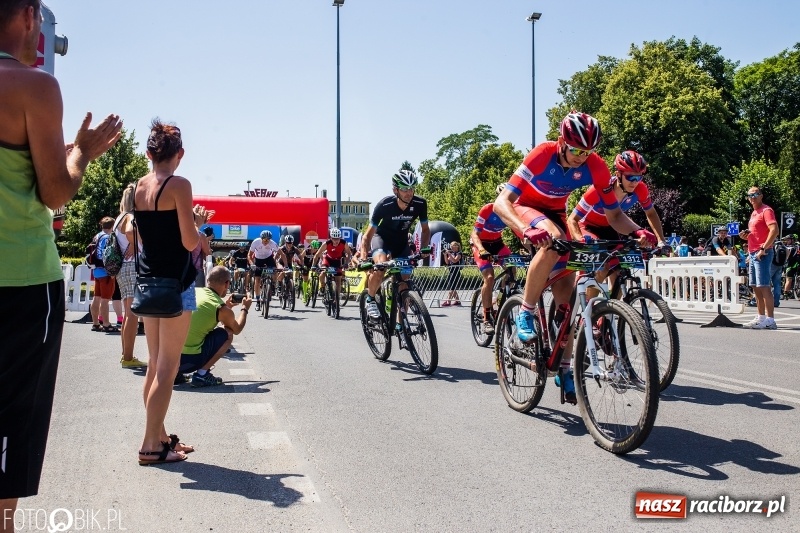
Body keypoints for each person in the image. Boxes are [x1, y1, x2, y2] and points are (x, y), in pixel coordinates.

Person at [0, 0, 123, 516]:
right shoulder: (34, 87)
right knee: (8, 442)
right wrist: (81, 154)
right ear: (29, 14)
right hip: (22, 283)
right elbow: (54, 191)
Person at [493, 112, 654, 404]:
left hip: (554, 212)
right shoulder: (542, 154)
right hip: (526, 211)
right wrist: (524, 229)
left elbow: (614, 214)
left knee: (568, 306)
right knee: (554, 239)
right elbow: (502, 202)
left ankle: (565, 368)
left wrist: (638, 231)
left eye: (588, 151)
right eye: (577, 150)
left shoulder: (595, 166)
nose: (582, 157)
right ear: (561, 142)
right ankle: (526, 312)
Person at [134, 119, 200, 465]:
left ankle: (159, 436)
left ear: (149, 152)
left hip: (148, 283)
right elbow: (189, 241)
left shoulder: (135, 188)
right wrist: (200, 230)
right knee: (167, 369)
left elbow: (145, 239)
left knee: (153, 365)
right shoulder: (179, 185)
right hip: (176, 283)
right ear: (180, 154)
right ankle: (150, 445)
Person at [566, 150, 666, 293]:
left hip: (610, 227)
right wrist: (580, 241)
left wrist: (661, 240)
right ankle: (589, 310)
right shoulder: (598, 189)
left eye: (639, 177)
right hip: (587, 227)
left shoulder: (640, 189)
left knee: (620, 271)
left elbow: (651, 213)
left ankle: (610, 312)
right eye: (630, 177)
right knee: (601, 267)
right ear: (618, 174)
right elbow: (572, 219)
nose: (635, 182)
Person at [358, 169, 431, 319]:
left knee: (404, 281)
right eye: (404, 189)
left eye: (411, 188)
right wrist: (364, 259)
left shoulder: (420, 203)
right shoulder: (385, 205)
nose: (409, 192)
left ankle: (401, 324)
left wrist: (423, 248)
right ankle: (370, 299)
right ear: (395, 190)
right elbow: (367, 236)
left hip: (401, 243)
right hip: (381, 240)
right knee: (380, 267)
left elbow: (425, 230)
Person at [176, 266, 252, 387]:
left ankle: (175, 375)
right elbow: (237, 329)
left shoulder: (194, 291)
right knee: (228, 333)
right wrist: (245, 309)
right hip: (189, 362)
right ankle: (202, 374)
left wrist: (227, 307)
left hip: (169, 359)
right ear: (227, 284)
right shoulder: (219, 307)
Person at [470, 185, 513, 334]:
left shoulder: (512, 211)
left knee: (512, 269)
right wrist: (481, 250)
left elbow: (521, 234)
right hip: (480, 243)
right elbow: (475, 234)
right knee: (489, 277)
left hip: (497, 243)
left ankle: (499, 299)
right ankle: (486, 318)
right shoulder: (487, 209)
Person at [114, 184, 147, 368]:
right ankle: (128, 357)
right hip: (132, 266)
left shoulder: (120, 217)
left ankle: (126, 355)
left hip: (123, 268)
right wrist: (135, 245)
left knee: (129, 315)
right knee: (133, 314)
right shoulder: (130, 216)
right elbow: (130, 231)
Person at [738, 186, 779, 329]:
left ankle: (771, 320)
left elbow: (774, 230)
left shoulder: (766, 211)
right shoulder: (754, 213)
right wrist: (745, 236)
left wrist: (763, 248)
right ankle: (761, 317)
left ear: (761, 195)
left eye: (756, 194)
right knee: (755, 287)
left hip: (763, 252)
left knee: (764, 286)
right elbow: (756, 233)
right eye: (750, 195)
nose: (753, 197)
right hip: (753, 252)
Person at [89, 216, 119, 332]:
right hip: (106, 271)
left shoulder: (97, 236)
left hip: (96, 270)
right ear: (112, 226)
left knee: (96, 297)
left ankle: (95, 323)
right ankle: (106, 324)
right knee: (105, 299)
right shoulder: (108, 237)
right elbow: (108, 255)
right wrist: (112, 271)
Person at [248, 230, 284, 311]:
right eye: (264, 240)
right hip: (258, 260)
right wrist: (251, 264)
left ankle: (273, 286)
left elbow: (282, 254)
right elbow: (249, 255)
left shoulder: (273, 243)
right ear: (261, 239)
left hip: (269, 259)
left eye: (268, 240)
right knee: (257, 280)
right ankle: (258, 301)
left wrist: (286, 266)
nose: (266, 242)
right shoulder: (255, 242)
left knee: (274, 271)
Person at [314, 228, 351, 302]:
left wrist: (346, 263)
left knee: (338, 280)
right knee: (323, 272)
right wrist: (313, 265)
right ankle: (323, 285)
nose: (336, 241)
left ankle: (336, 298)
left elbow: (349, 253)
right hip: (328, 260)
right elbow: (317, 254)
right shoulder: (327, 243)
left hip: (337, 261)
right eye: (334, 239)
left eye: (338, 238)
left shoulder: (344, 243)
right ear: (331, 238)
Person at [442, 240, 463, 306]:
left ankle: (448, 301)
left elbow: (454, 260)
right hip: (451, 271)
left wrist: (449, 254)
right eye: (451, 246)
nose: (451, 248)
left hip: (456, 272)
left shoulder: (459, 253)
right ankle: (457, 301)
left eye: (453, 246)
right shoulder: (452, 253)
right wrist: (445, 255)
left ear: (456, 247)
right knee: (452, 287)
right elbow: (447, 262)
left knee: (452, 287)